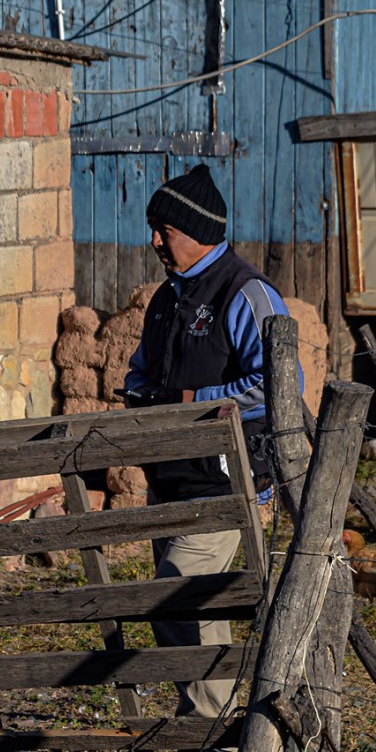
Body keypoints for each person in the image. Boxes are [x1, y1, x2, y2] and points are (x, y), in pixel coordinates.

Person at [121, 163, 292, 720]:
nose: (153, 242)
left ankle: (209, 732)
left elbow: (277, 385)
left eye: (162, 231)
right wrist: (141, 397)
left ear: (195, 231)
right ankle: (208, 728)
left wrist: (196, 402)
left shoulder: (247, 294)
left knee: (179, 592)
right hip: (168, 475)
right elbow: (140, 371)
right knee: (187, 606)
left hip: (225, 479)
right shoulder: (168, 299)